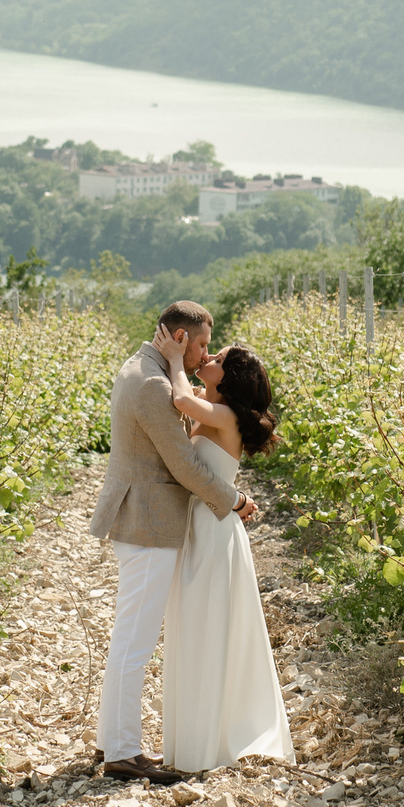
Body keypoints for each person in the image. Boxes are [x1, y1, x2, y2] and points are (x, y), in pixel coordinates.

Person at [88, 301, 260, 783]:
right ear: (180, 339)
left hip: (146, 519)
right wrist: (234, 499)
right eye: (202, 344)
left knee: (130, 637)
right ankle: (122, 751)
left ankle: (111, 740)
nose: (205, 354)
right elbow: (184, 465)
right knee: (135, 642)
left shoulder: (142, 367)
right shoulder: (153, 384)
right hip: (148, 523)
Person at [150, 331, 294, 773]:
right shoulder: (214, 405)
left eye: (218, 355)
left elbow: (179, 401)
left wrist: (175, 357)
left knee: (207, 626)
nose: (208, 356)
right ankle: (197, 737)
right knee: (197, 625)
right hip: (206, 523)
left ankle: (209, 741)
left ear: (228, 378)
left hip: (213, 532)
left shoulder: (224, 413)